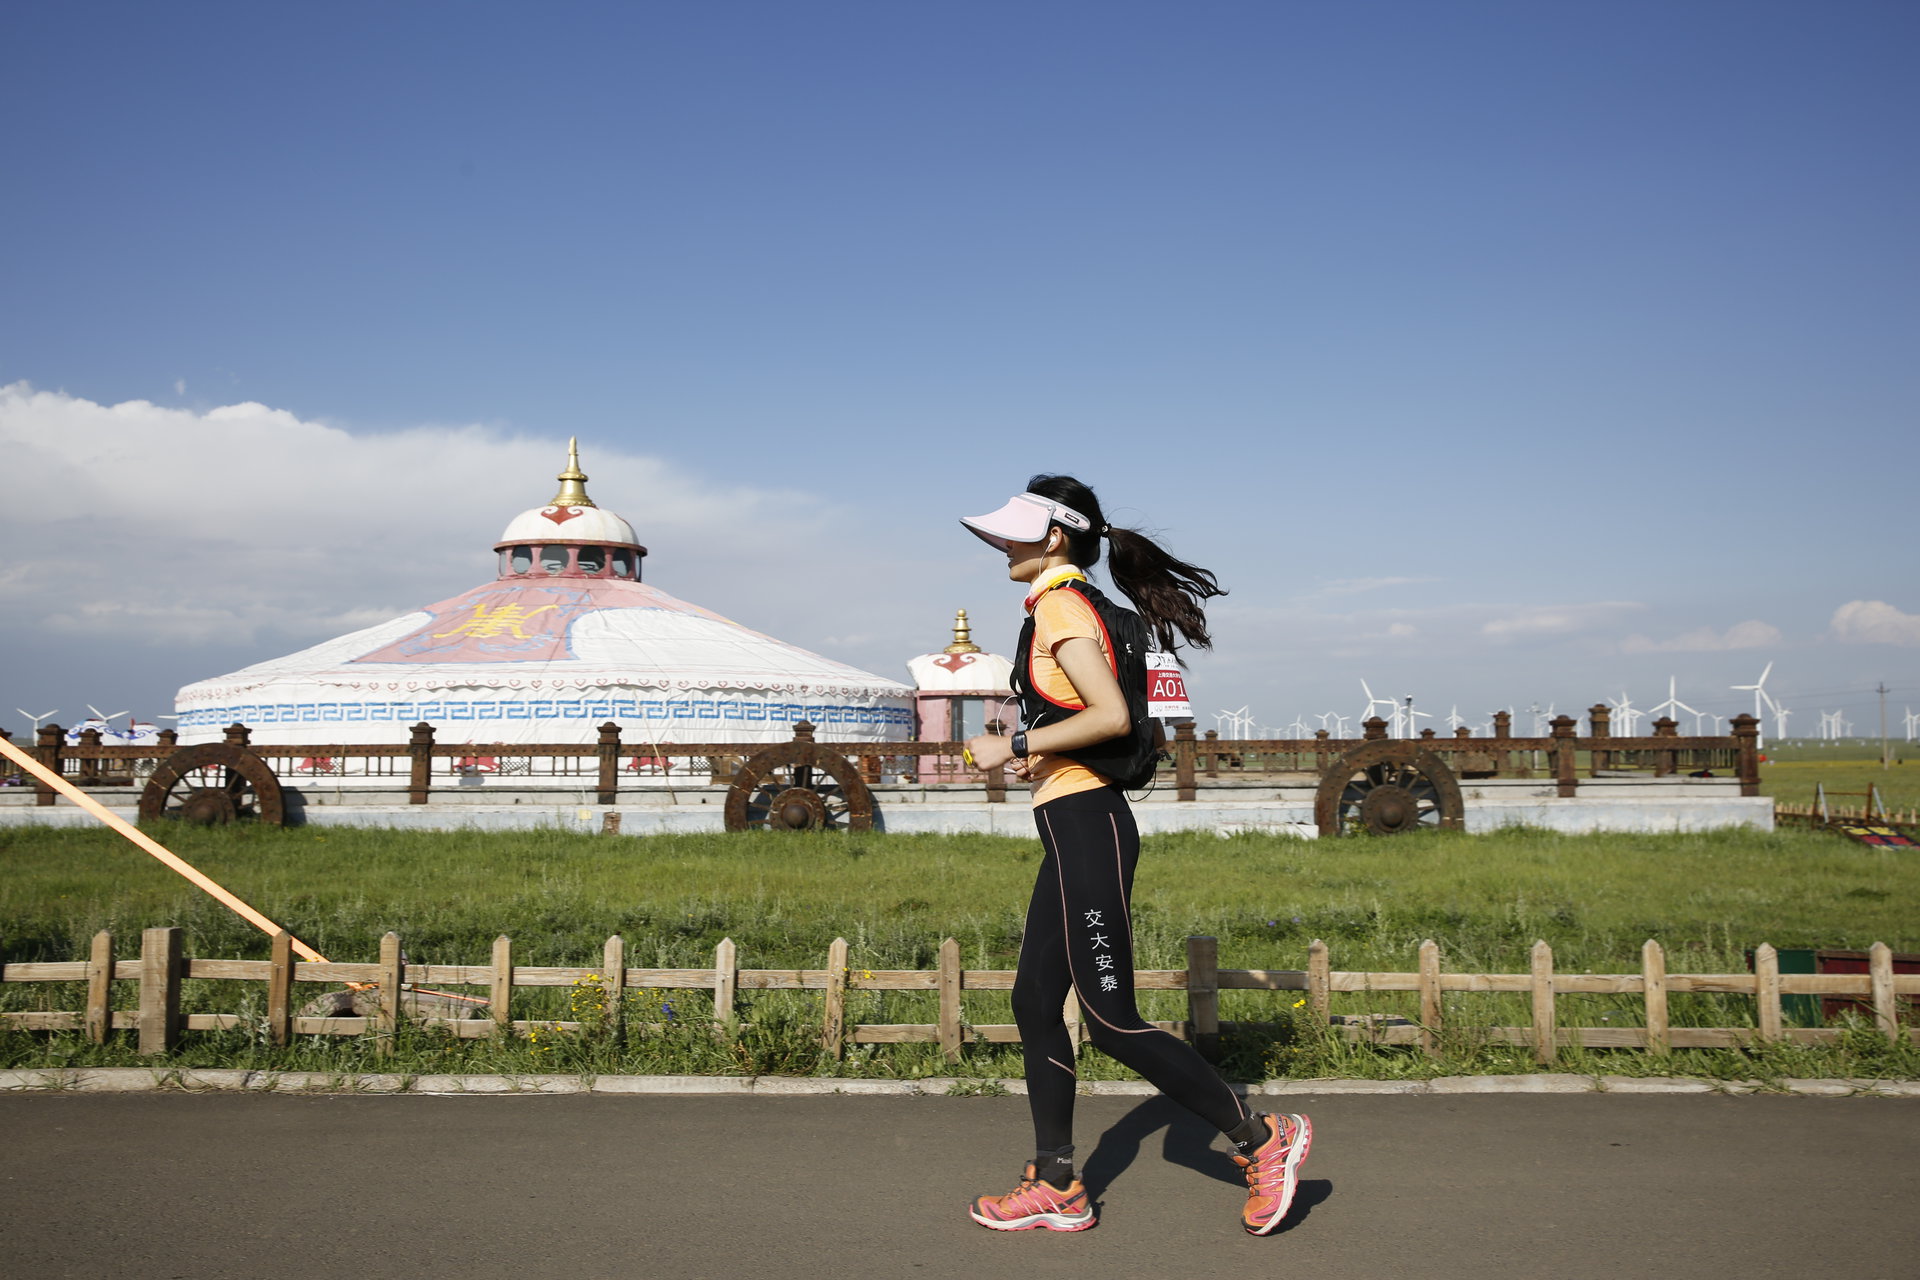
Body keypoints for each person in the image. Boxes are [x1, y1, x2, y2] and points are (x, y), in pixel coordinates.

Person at [958, 475, 1312, 1236]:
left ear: (1056, 536)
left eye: (1015, 533)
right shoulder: (1066, 605)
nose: (1002, 547)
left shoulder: (1060, 604)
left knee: (1112, 1020)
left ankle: (1263, 1138)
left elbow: (1112, 715)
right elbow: (1096, 720)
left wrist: (1012, 743)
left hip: (1089, 821)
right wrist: (1040, 759)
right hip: (1070, 817)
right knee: (1032, 1001)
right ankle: (1057, 1180)